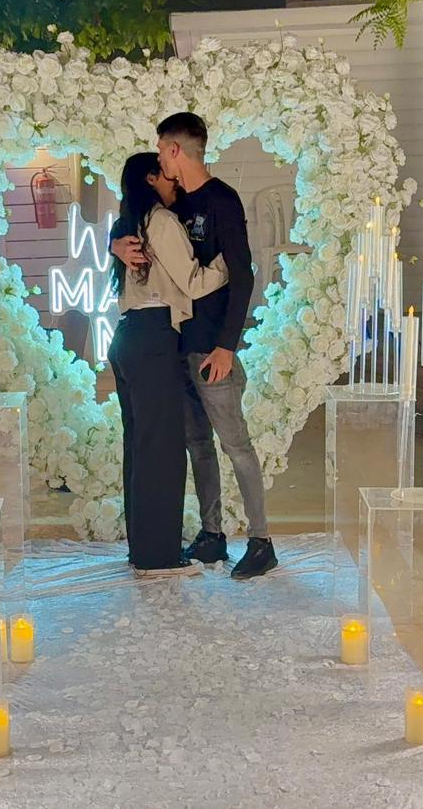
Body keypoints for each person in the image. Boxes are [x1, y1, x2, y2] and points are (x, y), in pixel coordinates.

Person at [113, 112, 277, 579]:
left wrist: (227, 346)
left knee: (235, 444)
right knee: (197, 444)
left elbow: (242, 275)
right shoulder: (174, 203)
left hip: (211, 349)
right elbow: (139, 222)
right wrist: (114, 245)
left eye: (160, 149)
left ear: (174, 150)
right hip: (174, 347)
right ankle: (212, 534)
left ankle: (261, 541)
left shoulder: (222, 199)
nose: (159, 160)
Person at [108, 152, 229, 577]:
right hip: (154, 336)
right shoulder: (160, 221)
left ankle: (143, 549)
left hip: (127, 338)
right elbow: (192, 281)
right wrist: (228, 264)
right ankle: (158, 557)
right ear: (150, 179)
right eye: (165, 174)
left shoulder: (128, 224)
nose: (174, 180)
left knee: (141, 448)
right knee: (162, 451)